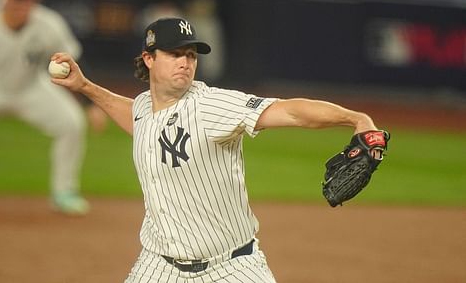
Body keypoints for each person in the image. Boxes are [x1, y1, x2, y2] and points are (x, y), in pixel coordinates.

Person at [50, 17, 382, 282]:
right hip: (158, 267)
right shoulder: (143, 107)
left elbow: (290, 110)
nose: (185, 62)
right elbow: (138, 119)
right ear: (149, 59)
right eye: (175, 54)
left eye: (191, 55)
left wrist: (355, 118)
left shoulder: (210, 106)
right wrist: (85, 87)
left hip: (231, 268)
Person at [0, 0, 104, 215]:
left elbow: (75, 61)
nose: (22, 5)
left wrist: (91, 104)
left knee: (71, 123)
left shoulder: (49, 24)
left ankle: (64, 192)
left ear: (35, 0)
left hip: (32, 88)